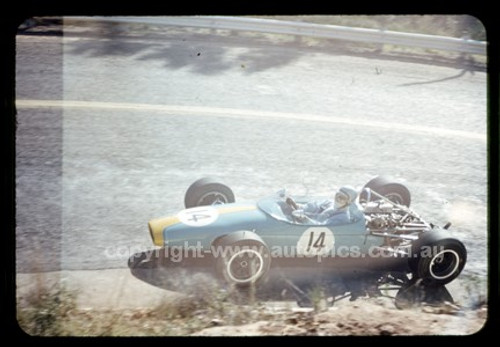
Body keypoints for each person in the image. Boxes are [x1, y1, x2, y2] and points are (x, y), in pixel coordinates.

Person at [286, 186, 358, 225]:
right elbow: (313, 206)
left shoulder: (342, 218)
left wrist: (305, 219)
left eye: (342, 198)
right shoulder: (329, 203)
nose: (337, 199)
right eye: (337, 195)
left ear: (349, 202)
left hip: (309, 230)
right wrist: (297, 206)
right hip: (301, 224)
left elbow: (322, 227)